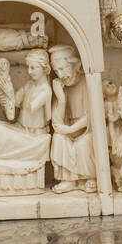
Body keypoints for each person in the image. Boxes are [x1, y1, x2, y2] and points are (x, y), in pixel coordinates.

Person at [49, 44, 96, 193]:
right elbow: (56, 122)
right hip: (70, 132)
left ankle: (90, 177)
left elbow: (93, 115)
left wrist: (71, 128)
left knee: (84, 144)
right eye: (56, 71)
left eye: (63, 69)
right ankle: (68, 180)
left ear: (76, 65)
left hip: (86, 131)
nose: (60, 75)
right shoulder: (61, 88)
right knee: (58, 138)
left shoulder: (87, 83)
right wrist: (61, 99)